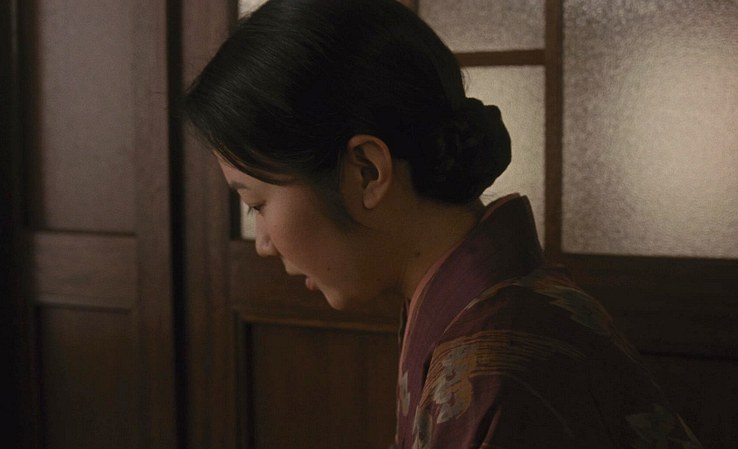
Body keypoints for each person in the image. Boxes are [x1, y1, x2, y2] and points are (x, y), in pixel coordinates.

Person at [183, 0, 704, 447]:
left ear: (367, 171)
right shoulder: (485, 310)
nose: (264, 244)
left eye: (257, 203)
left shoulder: (498, 369)